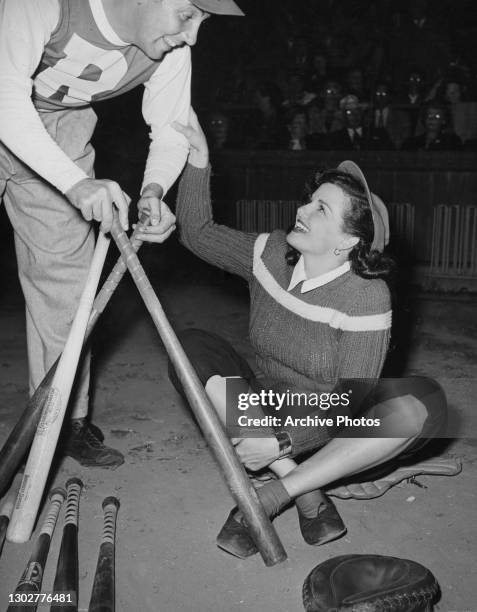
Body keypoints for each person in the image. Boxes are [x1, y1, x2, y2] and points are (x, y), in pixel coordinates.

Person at [137, 110, 447, 558]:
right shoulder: (270, 252)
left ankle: (274, 493)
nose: (302, 209)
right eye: (310, 200)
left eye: (321, 209)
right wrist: (199, 161)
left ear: (348, 242)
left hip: (325, 422)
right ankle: (303, 490)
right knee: (191, 347)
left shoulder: (366, 296)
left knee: (419, 406)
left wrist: (283, 440)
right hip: (261, 406)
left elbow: (350, 402)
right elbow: (198, 233)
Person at [0, 0, 243, 468]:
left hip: (60, 132)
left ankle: (60, 422)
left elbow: (173, 130)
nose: (192, 37)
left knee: (68, 291)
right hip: (7, 102)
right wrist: (74, 183)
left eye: (202, 22)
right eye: (187, 16)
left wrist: (154, 188)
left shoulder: (170, 48)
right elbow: (5, 92)